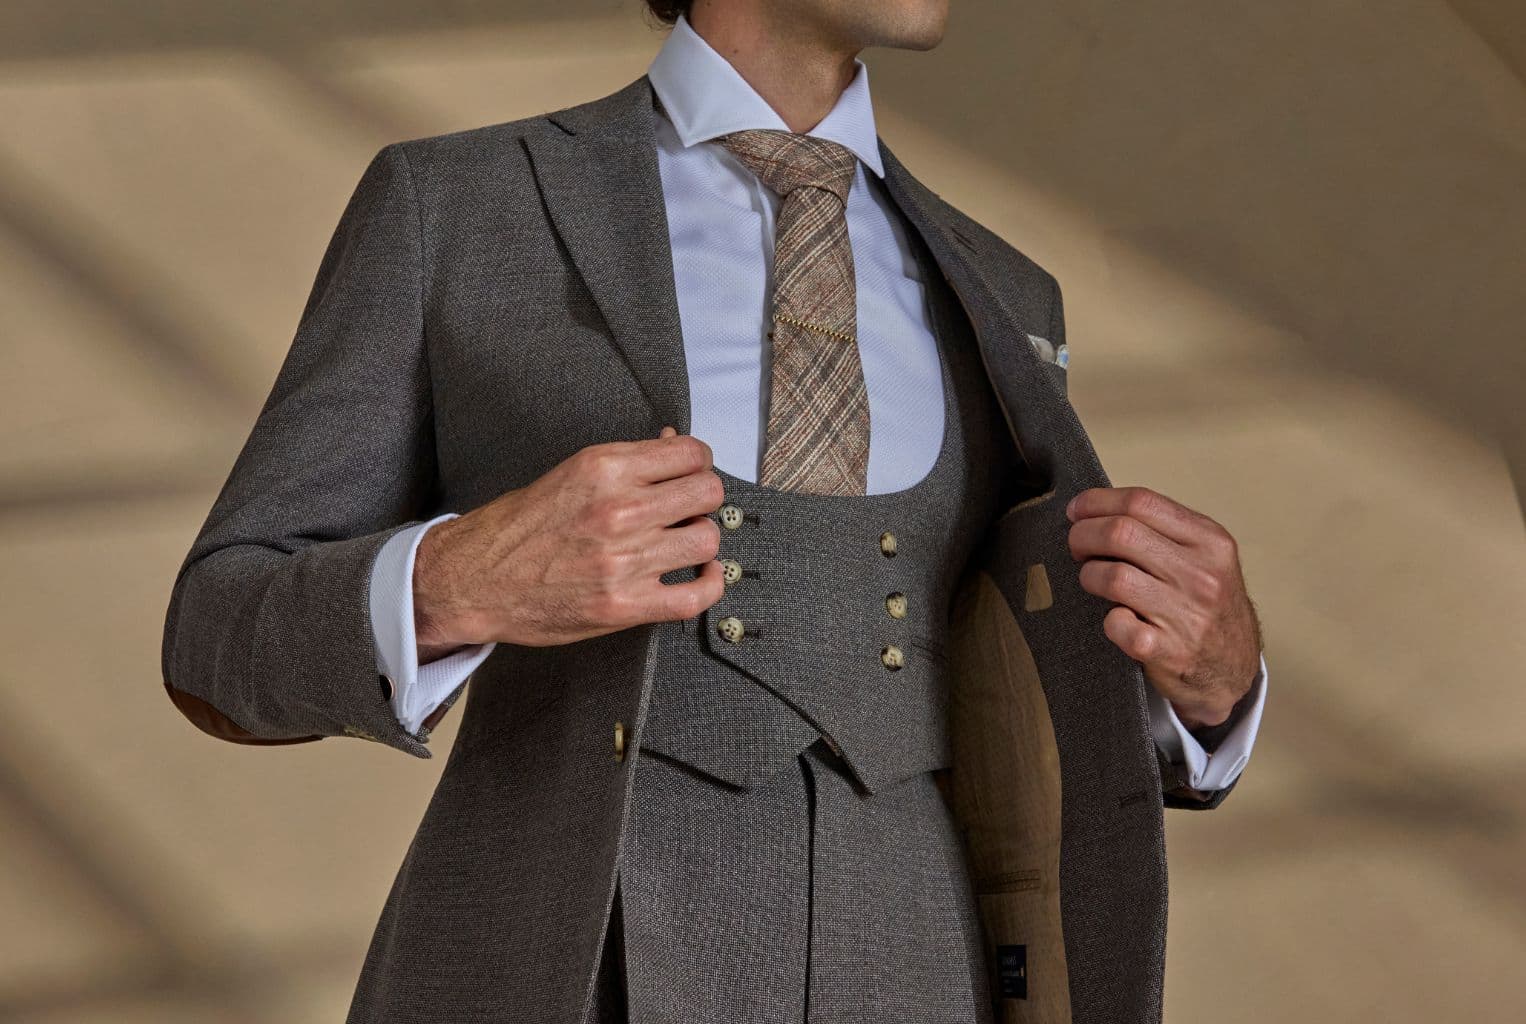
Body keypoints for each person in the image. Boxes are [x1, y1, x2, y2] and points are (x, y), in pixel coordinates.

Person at [160, 1, 1268, 1021]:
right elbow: (215, 638)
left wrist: (1212, 695)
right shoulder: (458, 203)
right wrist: (454, 582)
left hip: (926, 964)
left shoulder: (1006, 292)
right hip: (570, 961)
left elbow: (1011, 684)